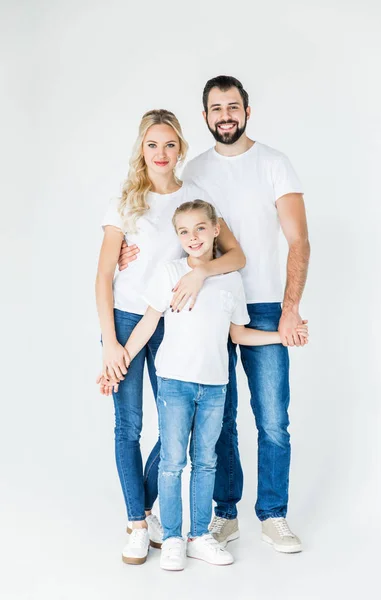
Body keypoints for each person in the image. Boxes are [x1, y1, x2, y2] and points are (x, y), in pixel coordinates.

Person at [118, 76, 311, 553]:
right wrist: (131, 249)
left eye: (233, 106)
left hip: (261, 303)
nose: (225, 115)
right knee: (217, 420)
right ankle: (224, 514)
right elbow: (175, 228)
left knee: (271, 418)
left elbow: (297, 241)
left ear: (247, 110)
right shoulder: (196, 172)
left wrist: (290, 310)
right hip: (202, 309)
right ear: (204, 117)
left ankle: (274, 515)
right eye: (216, 108)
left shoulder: (274, 164)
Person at [101, 200, 309, 571]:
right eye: (183, 231)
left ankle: (200, 536)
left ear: (216, 230)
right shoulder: (170, 273)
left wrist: (280, 336)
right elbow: (148, 324)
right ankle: (174, 540)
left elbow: (239, 334)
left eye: (200, 228)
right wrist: (119, 362)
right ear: (177, 237)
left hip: (215, 387)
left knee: (206, 462)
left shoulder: (231, 281)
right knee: (172, 462)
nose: (192, 237)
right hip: (175, 384)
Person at [95, 109, 245, 565]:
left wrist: (200, 274)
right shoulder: (125, 202)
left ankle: (143, 508)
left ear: (180, 148)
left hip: (176, 321)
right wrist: (110, 345)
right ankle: (139, 524)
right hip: (125, 321)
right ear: (142, 149)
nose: (161, 154)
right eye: (152, 144)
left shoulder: (195, 196)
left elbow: (234, 254)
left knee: (179, 424)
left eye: (169, 144)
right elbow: (103, 276)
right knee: (129, 425)